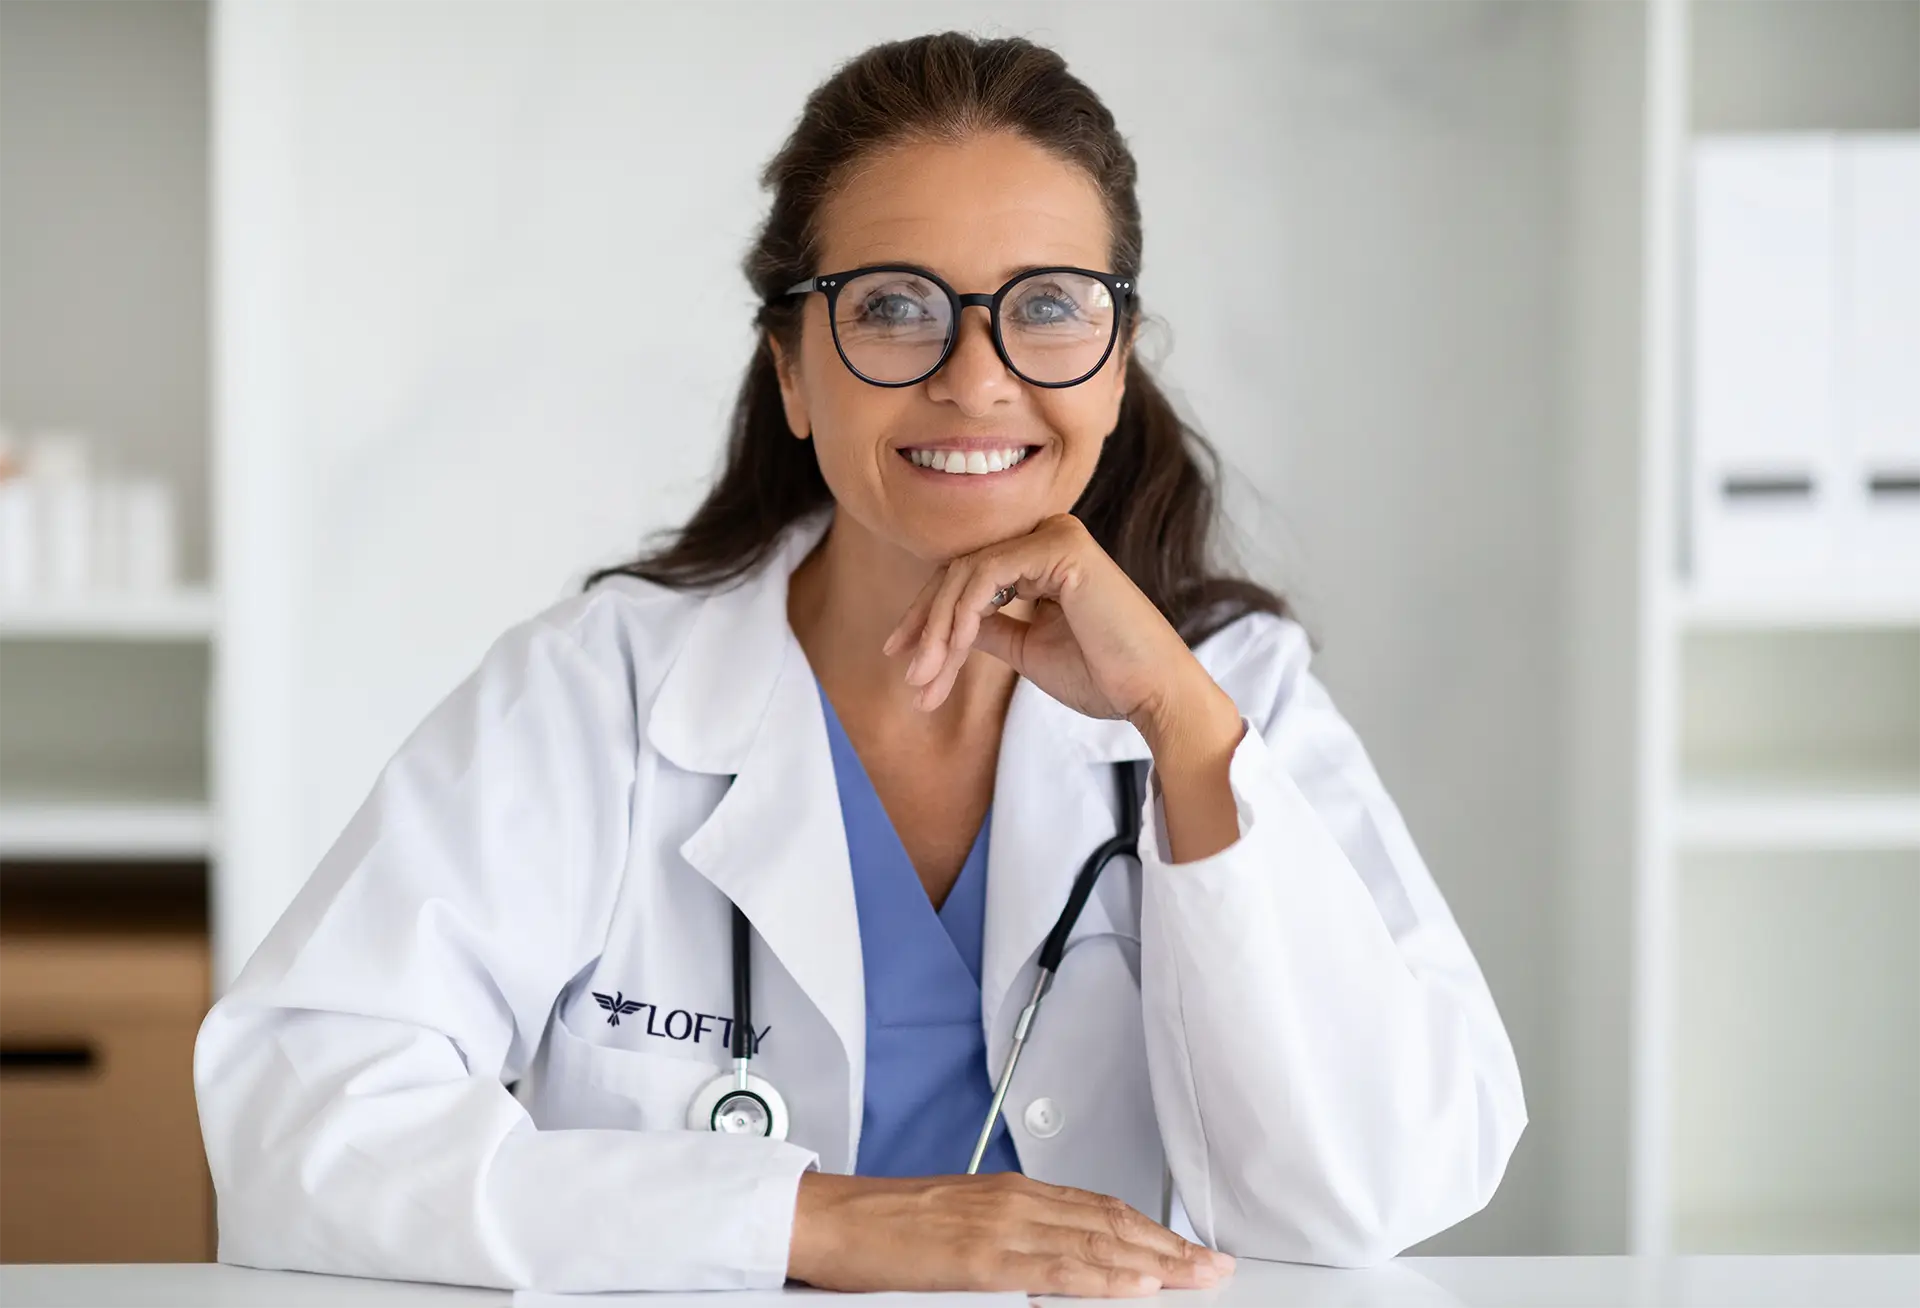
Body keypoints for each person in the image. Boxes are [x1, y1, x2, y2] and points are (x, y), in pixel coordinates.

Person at [194, 31, 1525, 1296]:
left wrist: (1178, 725)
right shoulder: (602, 694)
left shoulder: (1236, 692)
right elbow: (295, 1124)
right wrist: (815, 1220)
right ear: (790, 367)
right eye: (894, 308)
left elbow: (1378, 1194)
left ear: (1115, 366)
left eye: (1049, 309)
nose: (977, 377)